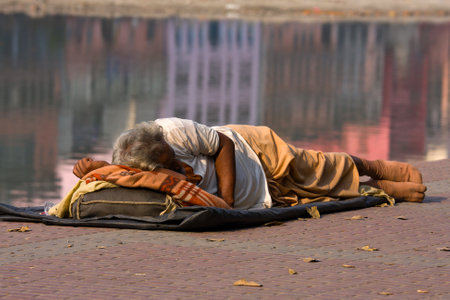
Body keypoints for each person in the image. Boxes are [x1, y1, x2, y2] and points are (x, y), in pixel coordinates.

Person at [112, 117, 427, 209]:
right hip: (258, 192)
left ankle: (373, 168)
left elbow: (223, 144)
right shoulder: (137, 168)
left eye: (169, 149)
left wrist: (228, 199)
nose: (171, 152)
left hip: (253, 149)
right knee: (317, 192)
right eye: (166, 158)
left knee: (317, 166)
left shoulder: (172, 131)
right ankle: (379, 189)